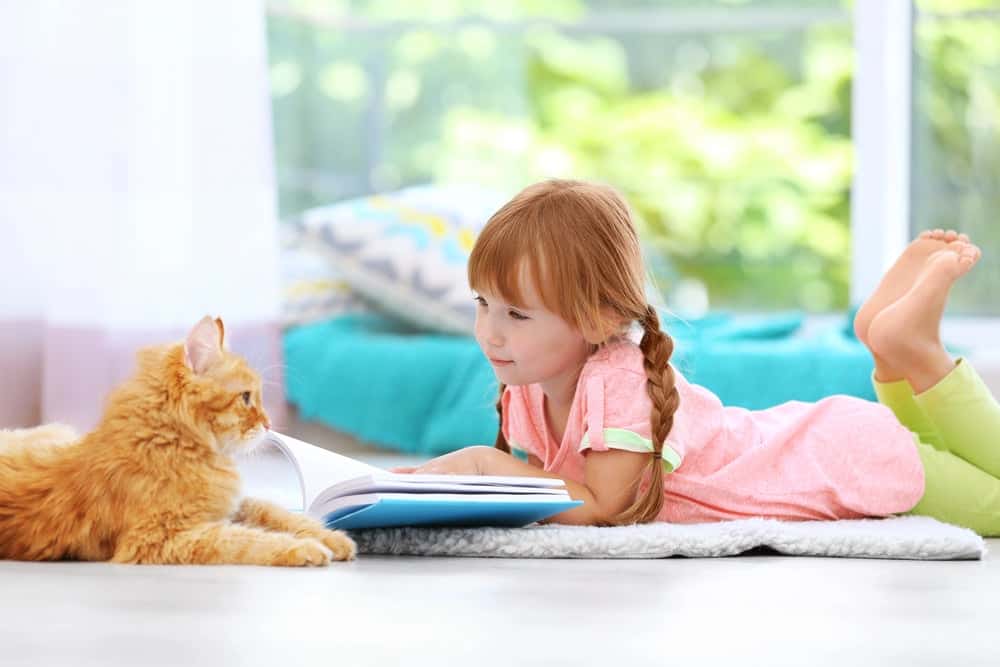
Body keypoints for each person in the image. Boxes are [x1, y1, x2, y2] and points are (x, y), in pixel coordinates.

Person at [395, 178, 1000, 535]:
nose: (489, 333)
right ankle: (893, 354)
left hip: (844, 463)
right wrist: (425, 484)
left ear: (601, 317)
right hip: (834, 438)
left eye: (516, 315)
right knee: (962, 461)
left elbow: (605, 506)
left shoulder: (617, 379)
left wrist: (480, 462)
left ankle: (909, 353)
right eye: (483, 304)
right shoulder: (531, 383)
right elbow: (543, 489)